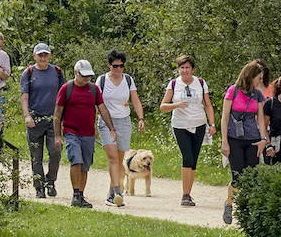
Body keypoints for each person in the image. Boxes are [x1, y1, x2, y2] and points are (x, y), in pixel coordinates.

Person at [53, 60, 116, 208]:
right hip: (71, 131)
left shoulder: (93, 89)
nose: (87, 79)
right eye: (84, 76)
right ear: (76, 73)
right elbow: (58, 112)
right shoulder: (66, 88)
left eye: (89, 76)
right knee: (76, 160)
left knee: (85, 165)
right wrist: (57, 135)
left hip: (88, 133)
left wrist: (111, 128)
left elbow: (102, 109)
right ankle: (75, 194)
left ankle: (81, 195)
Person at [159, 54, 216, 206]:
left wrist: (212, 124)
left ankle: (188, 194)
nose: (185, 71)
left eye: (187, 67)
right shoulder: (173, 84)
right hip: (180, 125)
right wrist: (176, 105)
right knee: (187, 157)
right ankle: (184, 194)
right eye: (182, 68)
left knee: (194, 159)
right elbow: (163, 106)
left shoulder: (201, 83)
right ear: (178, 69)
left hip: (199, 123)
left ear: (192, 69)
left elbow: (208, 105)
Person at [221, 60, 270, 224]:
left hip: (253, 138)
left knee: (251, 175)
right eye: (258, 77)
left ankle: (247, 210)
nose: (260, 81)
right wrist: (224, 142)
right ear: (250, 76)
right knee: (237, 175)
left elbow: (261, 120)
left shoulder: (257, 95)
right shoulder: (233, 91)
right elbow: (225, 118)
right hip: (234, 138)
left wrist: (264, 139)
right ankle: (229, 203)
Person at [96, 50, 146, 207]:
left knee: (119, 159)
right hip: (106, 122)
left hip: (124, 121)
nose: (118, 69)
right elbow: (96, 102)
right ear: (109, 65)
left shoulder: (128, 80)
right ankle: (118, 192)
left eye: (121, 66)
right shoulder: (102, 80)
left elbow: (135, 100)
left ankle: (111, 193)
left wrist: (141, 118)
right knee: (112, 158)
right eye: (115, 66)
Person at [19, 43, 66, 198]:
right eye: (40, 55)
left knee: (55, 152)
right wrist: (27, 115)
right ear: (34, 56)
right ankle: (39, 187)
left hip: (53, 119)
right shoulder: (29, 73)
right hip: (35, 119)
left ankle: (50, 181)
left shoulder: (57, 72)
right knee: (36, 156)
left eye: (45, 55)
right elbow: (24, 96)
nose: (43, 58)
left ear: (49, 56)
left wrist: (63, 118)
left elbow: (63, 96)